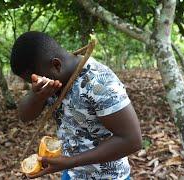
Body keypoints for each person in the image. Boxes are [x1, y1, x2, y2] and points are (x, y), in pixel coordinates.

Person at [10, 31, 142, 180]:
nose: (36, 85)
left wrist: (69, 162)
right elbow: (24, 116)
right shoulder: (50, 79)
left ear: (56, 65)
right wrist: (36, 95)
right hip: (72, 173)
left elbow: (132, 140)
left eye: (34, 81)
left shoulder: (99, 83)